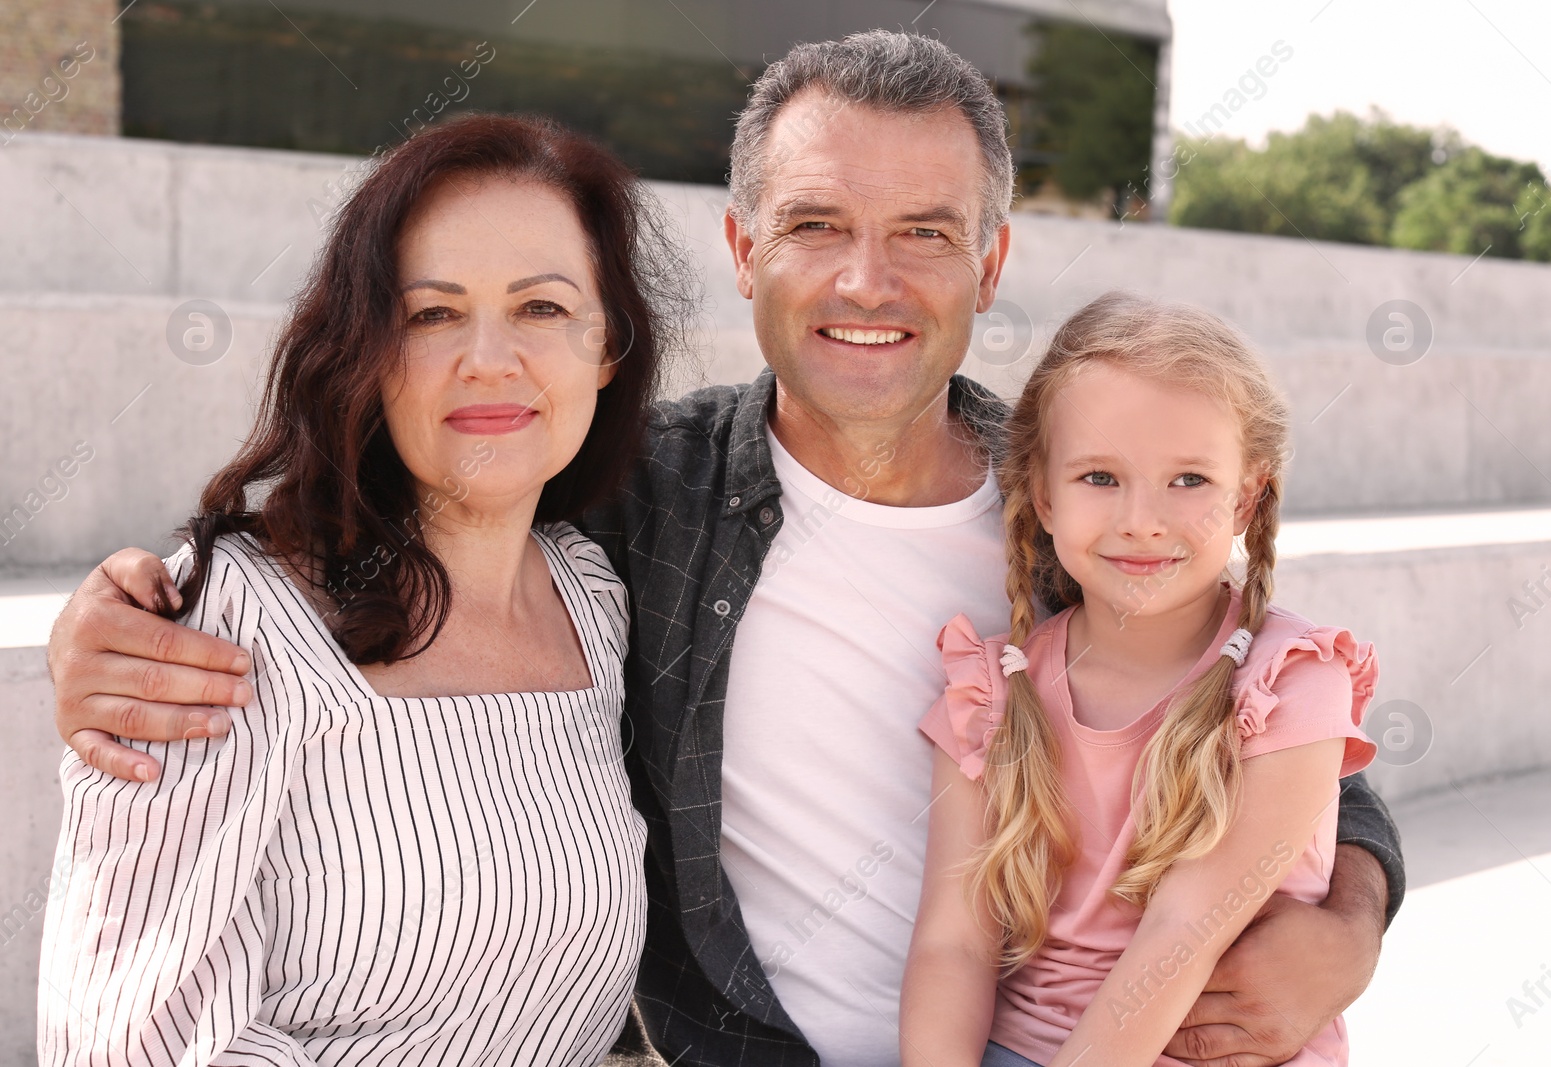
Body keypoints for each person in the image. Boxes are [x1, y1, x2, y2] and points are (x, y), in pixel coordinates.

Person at [44, 32, 1404, 1067]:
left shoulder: (1082, 502)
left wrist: (1348, 922)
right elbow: (420, 484)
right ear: (746, 246)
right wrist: (117, 611)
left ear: (989, 266)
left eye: (921, 234)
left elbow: (1286, 743)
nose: (867, 280)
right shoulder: (639, 502)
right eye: (817, 225)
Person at [36, 112, 682, 1066]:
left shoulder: (591, 596)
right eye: (432, 313)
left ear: (609, 349)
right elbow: (127, 1039)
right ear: (368, 353)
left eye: (543, 308)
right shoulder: (236, 620)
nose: (490, 358)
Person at [900, 293, 1379, 1067]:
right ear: (1044, 495)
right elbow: (952, 943)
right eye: (1100, 476)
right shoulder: (990, 691)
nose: (1143, 520)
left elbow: (1181, 933)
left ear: (1245, 499)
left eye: (1188, 479)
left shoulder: (1291, 685)